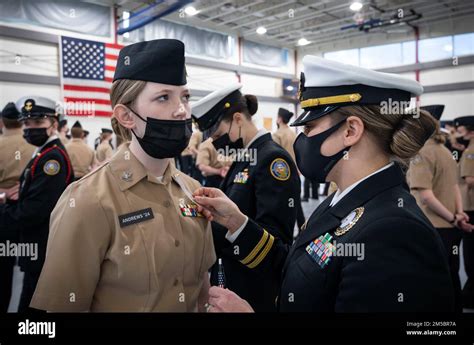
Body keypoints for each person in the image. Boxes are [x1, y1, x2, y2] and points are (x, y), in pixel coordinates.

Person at [193, 56, 455, 312]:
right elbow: (296, 268)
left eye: (309, 127)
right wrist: (237, 223)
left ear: (350, 131)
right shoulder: (341, 201)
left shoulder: (394, 232)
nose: (302, 139)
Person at [30, 39, 215, 312]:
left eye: (185, 97)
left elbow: (201, 290)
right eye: (164, 97)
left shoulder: (194, 191)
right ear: (127, 116)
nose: (181, 110)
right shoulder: (88, 200)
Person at [192, 83, 301, 312]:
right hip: (233, 277)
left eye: (220, 135)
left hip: (254, 289)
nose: (218, 142)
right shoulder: (248, 156)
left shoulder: (272, 160)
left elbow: (276, 244)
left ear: (239, 119)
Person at [0, 96, 74, 313]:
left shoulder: (53, 159)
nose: (30, 128)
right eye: (27, 123)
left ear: (54, 123)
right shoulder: (44, 152)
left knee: (33, 306)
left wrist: (4, 213)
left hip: (42, 245)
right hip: (36, 244)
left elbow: (34, 211)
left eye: (38, 123)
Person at [407, 105, 472, 312]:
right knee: (451, 276)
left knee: (432, 283)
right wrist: (458, 215)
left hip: (432, 225)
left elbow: (425, 196)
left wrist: (453, 218)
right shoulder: (444, 151)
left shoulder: (421, 154)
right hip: (450, 227)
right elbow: (455, 186)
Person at [0, 102, 35, 312]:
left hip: (3, 211)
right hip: (27, 211)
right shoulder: (35, 147)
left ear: (2, 121)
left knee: (3, 270)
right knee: (28, 270)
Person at [454, 115, 474, 309]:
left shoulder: (470, 152)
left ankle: (469, 295)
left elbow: (469, 180)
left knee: (469, 253)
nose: (459, 133)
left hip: (469, 206)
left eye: (462, 130)